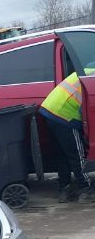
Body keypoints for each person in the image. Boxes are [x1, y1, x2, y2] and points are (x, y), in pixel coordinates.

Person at [39, 67, 95, 204]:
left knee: (63, 154)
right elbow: (88, 108)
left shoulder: (88, 70)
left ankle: (65, 189)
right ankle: (85, 189)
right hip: (65, 115)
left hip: (50, 110)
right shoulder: (92, 78)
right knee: (77, 154)